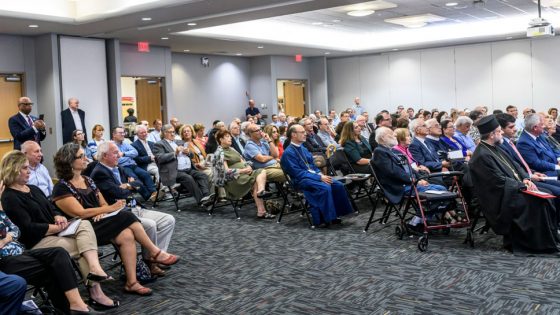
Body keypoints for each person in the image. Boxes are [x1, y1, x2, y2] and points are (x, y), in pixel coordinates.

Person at [51, 143, 180, 296]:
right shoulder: (61, 187)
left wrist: (103, 211)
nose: (86, 158)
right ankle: (154, 252)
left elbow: (103, 203)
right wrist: (107, 210)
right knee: (125, 215)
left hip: (98, 222)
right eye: (81, 156)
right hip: (82, 230)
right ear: (70, 161)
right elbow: (80, 213)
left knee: (127, 234)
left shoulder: (87, 180)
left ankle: (132, 282)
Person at [0, 150, 118, 311]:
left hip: (54, 232)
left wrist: (58, 217)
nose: (29, 171)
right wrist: (54, 227)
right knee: (83, 247)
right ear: (13, 170)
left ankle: (93, 271)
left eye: (28, 167)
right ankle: (94, 292)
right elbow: (26, 228)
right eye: (25, 168)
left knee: (83, 225)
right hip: (37, 240)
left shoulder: (33, 189)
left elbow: (51, 208)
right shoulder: (9, 197)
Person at [469, 115, 559, 254]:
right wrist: (521, 186)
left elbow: (516, 165)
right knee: (538, 201)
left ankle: (551, 238)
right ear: (492, 134)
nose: (502, 133)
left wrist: (525, 179)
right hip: (501, 197)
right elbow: (497, 181)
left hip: (514, 188)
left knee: (548, 196)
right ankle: (537, 244)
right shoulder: (481, 156)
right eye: (499, 131)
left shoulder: (495, 147)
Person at [90, 142, 176, 277]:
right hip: (121, 213)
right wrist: (130, 187)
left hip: (135, 206)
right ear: (105, 156)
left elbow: (139, 183)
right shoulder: (99, 172)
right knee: (150, 225)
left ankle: (157, 257)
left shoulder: (118, 167)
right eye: (115, 153)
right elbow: (119, 193)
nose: (119, 155)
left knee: (168, 219)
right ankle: (150, 261)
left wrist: (129, 185)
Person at [372, 127, 448, 228]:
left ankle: (420, 220)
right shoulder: (380, 152)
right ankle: (418, 220)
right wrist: (414, 181)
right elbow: (393, 172)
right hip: (399, 186)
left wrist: (420, 179)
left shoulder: (390, 150)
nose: (394, 136)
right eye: (391, 134)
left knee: (442, 191)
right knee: (441, 190)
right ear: (383, 138)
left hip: (409, 183)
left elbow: (408, 168)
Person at [280, 124, 353, 226]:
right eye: (302, 132)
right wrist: (319, 177)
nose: (305, 134)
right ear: (293, 135)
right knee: (325, 187)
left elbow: (313, 166)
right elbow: (298, 173)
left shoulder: (303, 148)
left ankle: (336, 214)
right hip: (300, 180)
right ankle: (325, 219)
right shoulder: (288, 153)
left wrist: (320, 174)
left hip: (311, 176)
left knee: (337, 185)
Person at [212, 130, 273, 218]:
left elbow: (243, 161)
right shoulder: (219, 153)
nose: (230, 138)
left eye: (230, 136)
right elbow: (226, 172)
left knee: (262, 171)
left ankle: (261, 191)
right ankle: (261, 211)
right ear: (221, 139)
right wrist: (243, 170)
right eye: (227, 137)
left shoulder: (232, 149)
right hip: (233, 180)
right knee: (255, 180)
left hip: (244, 175)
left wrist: (248, 166)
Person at [153, 124, 213, 206]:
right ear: (164, 133)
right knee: (188, 178)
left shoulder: (180, 142)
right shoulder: (159, 144)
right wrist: (175, 153)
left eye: (173, 132)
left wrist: (189, 152)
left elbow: (192, 155)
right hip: (173, 171)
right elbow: (160, 158)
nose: (173, 134)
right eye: (170, 132)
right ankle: (201, 201)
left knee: (202, 175)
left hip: (188, 169)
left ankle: (206, 197)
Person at [112, 126, 158, 202]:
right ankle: (148, 196)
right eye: (120, 133)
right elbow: (117, 160)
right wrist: (129, 156)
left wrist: (123, 154)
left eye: (124, 132)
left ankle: (154, 193)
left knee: (145, 174)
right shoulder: (112, 145)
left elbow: (135, 153)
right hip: (123, 167)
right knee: (135, 179)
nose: (123, 134)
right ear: (114, 135)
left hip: (133, 165)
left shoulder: (125, 143)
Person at [516, 113, 560, 178]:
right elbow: (537, 164)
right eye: (542, 125)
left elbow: (553, 148)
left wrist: (559, 159)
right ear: (535, 128)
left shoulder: (539, 134)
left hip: (555, 166)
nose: (544, 126)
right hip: (545, 172)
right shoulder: (524, 143)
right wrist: (557, 167)